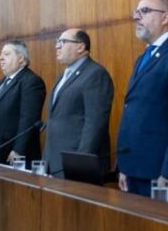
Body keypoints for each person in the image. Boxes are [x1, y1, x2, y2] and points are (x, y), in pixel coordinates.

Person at [116, 0, 168, 200]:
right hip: (134, 168)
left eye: (144, 11)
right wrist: (123, 166)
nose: (137, 17)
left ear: (165, 17)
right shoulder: (142, 57)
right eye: (136, 12)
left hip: (159, 171)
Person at [43, 28, 114, 178]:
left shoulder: (95, 74)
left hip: (75, 162)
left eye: (62, 42)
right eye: (57, 42)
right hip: (53, 161)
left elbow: (94, 123)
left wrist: (79, 163)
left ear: (80, 47)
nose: (57, 46)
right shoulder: (63, 75)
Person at [0, 40, 46, 163]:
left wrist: (19, 150)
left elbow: (28, 119)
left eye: (7, 54)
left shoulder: (31, 81)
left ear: (21, 58)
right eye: (1, 55)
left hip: (10, 154)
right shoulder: (3, 81)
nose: (0, 58)